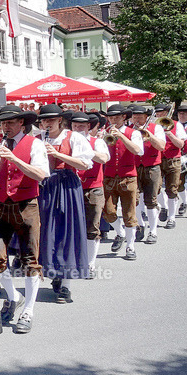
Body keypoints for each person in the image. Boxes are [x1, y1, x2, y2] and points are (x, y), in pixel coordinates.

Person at [0, 105, 48, 335]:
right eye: (2, 123)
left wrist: (15, 159)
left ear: (21, 123)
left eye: (10, 123)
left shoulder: (35, 143)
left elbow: (41, 175)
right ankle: (14, 296)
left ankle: (28, 310)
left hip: (26, 205)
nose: (5, 127)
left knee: (30, 259)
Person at [35, 105, 94, 304]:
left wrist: (58, 155)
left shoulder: (74, 137)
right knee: (48, 233)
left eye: (51, 119)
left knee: (68, 233)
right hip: (45, 186)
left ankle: (67, 285)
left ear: (60, 120)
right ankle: (55, 272)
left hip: (67, 186)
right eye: (44, 120)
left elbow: (85, 164)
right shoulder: (37, 139)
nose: (47, 123)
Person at [101, 104, 144, 261]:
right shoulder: (105, 133)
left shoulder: (133, 133)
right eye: (110, 118)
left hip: (128, 177)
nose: (113, 120)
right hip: (109, 176)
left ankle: (130, 246)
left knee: (129, 214)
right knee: (108, 212)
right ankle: (121, 233)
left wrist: (122, 136)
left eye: (116, 117)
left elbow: (138, 151)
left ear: (123, 117)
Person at [73, 112, 109, 277]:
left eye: (81, 126)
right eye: (74, 126)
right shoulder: (69, 142)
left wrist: (89, 150)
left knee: (92, 226)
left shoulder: (98, 142)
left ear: (88, 127)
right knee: (72, 226)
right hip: (72, 188)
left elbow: (103, 158)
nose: (77, 128)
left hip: (93, 188)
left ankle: (90, 264)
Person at [132, 105, 166, 245]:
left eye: (140, 116)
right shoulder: (129, 130)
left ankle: (153, 231)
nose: (137, 119)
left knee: (151, 200)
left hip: (152, 167)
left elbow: (161, 146)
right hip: (134, 167)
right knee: (135, 199)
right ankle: (140, 225)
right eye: (135, 116)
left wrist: (148, 134)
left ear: (146, 117)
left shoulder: (156, 128)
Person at [153, 105, 187, 228]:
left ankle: (172, 218)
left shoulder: (176, 125)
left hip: (173, 159)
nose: (158, 116)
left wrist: (168, 133)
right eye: (157, 114)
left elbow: (180, 144)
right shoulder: (153, 126)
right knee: (155, 188)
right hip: (157, 159)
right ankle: (164, 206)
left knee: (172, 189)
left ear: (167, 113)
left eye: (161, 113)